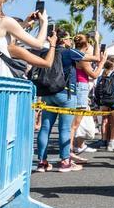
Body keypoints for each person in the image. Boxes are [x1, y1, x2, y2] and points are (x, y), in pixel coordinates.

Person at [35, 29, 101, 172]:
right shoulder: (69, 52)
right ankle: (65, 162)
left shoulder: (45, 52)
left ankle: (42, 162)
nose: (71, 41)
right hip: (66, 93)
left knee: (45, 128)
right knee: (64, 128)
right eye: (69, 38)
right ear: (64, 40)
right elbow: (96, 58)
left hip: (47, 93)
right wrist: (96, 41)